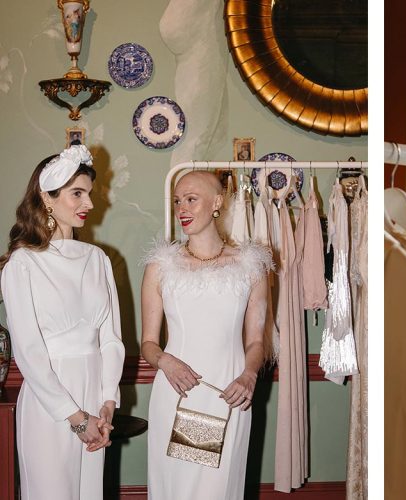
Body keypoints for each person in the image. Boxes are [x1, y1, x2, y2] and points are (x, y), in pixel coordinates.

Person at [0, 144, 125, 500]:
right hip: (50, 403)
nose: (88, 204)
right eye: (77, 194)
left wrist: (106, 402)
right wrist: (76, 418)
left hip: (95, 396)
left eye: (89, 194)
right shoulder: (22, 264)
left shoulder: (98, 259)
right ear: (47, 198)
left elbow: (112, 339)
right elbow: (29, 351)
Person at [141, 171, 272, 499]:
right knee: (180, 488)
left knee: (217, 490)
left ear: (216, 202)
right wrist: (164, 360)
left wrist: (249, 375)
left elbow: (257, 341)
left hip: (228, 394)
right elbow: (147, 344)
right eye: (177, 201)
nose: (181, 208)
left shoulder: (249, 266)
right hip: (179, 393)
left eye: (191, 199)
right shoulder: (161, 267)